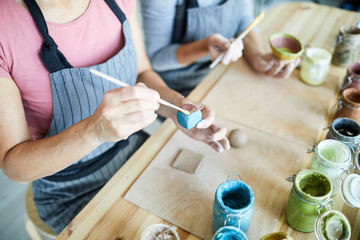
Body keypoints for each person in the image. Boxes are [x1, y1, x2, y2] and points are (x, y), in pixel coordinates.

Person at [0, 0, 230, 234]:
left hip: (133, 152)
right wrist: (93, 131)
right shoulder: (5, 26)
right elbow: (14, 167)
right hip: (70, 189)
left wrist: (177, 107)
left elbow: (142, 73)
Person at [140, 0, 301, 96]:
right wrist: (204, 46)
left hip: (225, 69)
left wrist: (257, 56)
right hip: (181, 84)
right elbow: (156, 58)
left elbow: (244, 20)